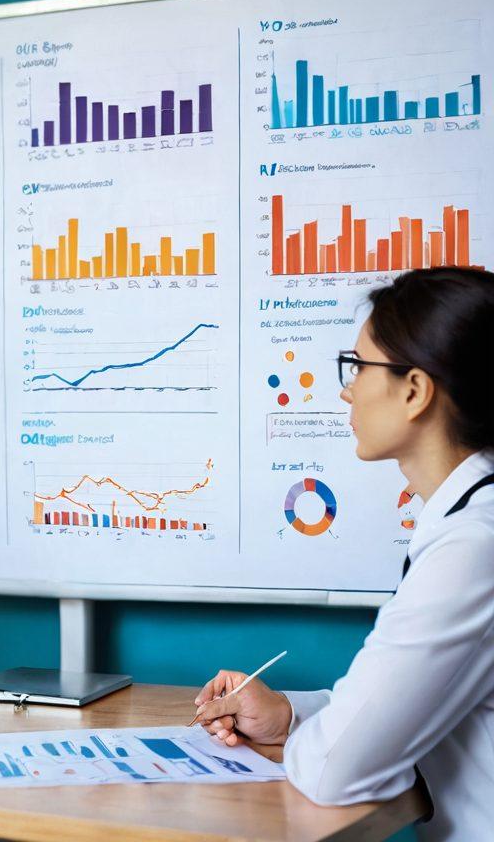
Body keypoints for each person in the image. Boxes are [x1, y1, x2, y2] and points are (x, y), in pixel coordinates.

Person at [191, 267, 494, 841]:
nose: (346, 388)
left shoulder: (474, 548)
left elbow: (336, 770)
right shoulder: (467, 524)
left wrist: (317, 742)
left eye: (358, 367)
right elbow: (409, 698)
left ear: (415, 390)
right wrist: (289, 717)